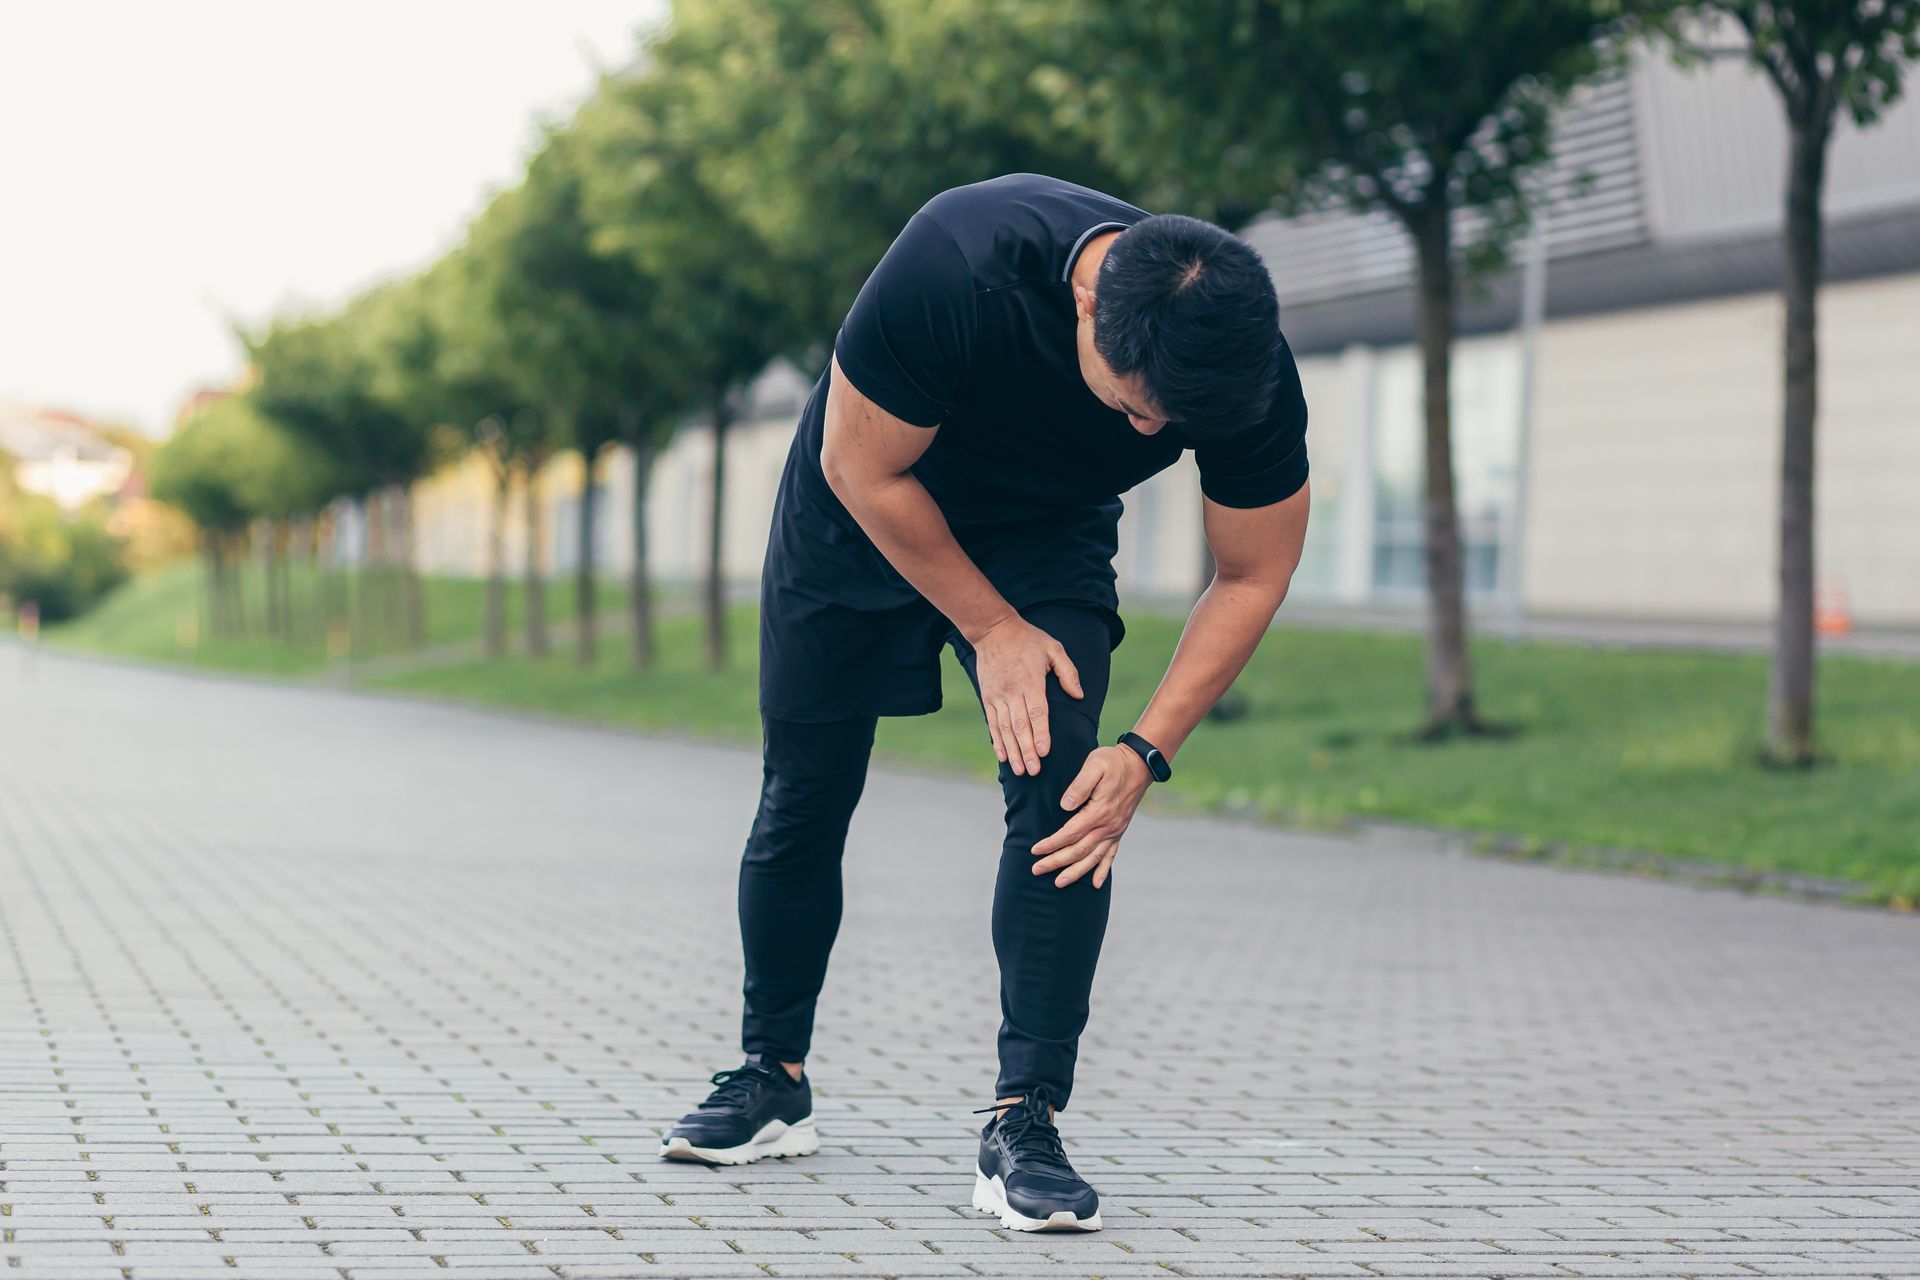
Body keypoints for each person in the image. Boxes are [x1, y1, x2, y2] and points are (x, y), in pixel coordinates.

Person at [660, 173, 1311, 1233]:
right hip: (859, 508)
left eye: (1172, 421)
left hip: (1043, 530)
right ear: (1092, 304)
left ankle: (1026, 1119)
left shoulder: (1235, 368)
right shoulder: (959, 259)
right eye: (1141, 401)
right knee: (806, 789)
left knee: (1069, 802)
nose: (1153, 427)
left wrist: (1145, 751)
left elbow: (1253, 571)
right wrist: (991, 627)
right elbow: (858, 464)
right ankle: (770, 1073)